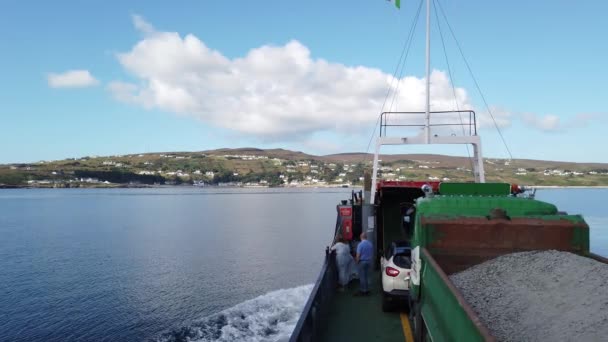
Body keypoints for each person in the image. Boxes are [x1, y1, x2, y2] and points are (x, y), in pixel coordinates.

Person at [355, 232, 373, 296]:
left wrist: (356, 262)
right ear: (366, 237)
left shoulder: (360, 244)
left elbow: (358, 255)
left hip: (362, 262)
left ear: (361, 237)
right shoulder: (370, 244)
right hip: (369, 261)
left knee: (362, 277)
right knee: (367, 276)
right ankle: (368, 289)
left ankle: (363, 291)